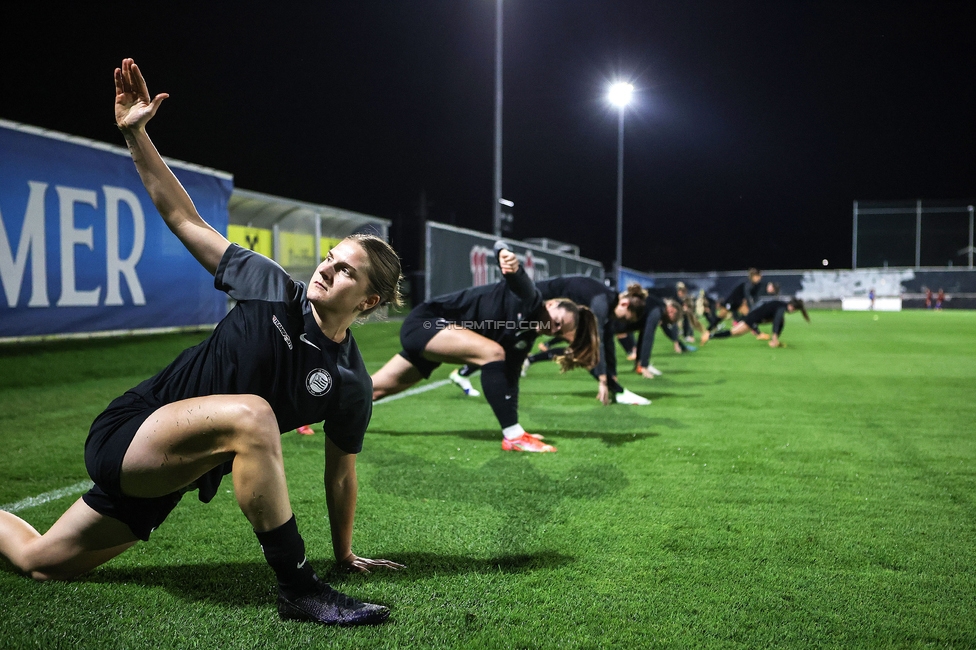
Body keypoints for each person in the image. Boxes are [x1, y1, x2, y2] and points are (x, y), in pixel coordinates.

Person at [0, 59, 402, 627]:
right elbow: (182, 216)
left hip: (178, 468)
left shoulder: (351, 382)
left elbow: (340, 473)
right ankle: (297, 589)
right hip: (135, 432)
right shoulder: (268, 285)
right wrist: (135, 132)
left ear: (368, 302)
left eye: (346, 273)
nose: (327, 269)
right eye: (330, 258)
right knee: (253, 416)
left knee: (40, 562)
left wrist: (346, 553)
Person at [372, 243, 600, 452]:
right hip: (426, 323)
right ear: (550, 304)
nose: (553, 330)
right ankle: (512, 437)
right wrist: (505, 255)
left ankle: (337, 407)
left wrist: (517, 422)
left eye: (559, 332)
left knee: (373, 390)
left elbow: (510, 380)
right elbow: (520, 281)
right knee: (493, 353)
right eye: (556, 322)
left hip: (439, 338)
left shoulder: (527, 337)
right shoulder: (531, 301)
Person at [453, 279, 651, 406]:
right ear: (624, 304)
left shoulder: (607, 302)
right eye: (625, 318)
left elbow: (607, 344)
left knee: (503, 345)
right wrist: (602, 380)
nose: (622, 323)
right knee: (502, 344)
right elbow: (596, 342)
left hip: (549, 313)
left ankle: (463, 373)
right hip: (532, 304)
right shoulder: (601, 301)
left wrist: (611, 377)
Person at [707, 298, 809, 347]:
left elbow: (778, 321)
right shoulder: (782, 308)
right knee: (734, 333)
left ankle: (710, 336)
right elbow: (776, 321)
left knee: (782, 321)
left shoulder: (781, 305)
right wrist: (774, 339)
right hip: (752, 318)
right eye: (795, 310)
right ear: (792, 307)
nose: (793, 312)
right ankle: (710, 336)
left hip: (756, 318)